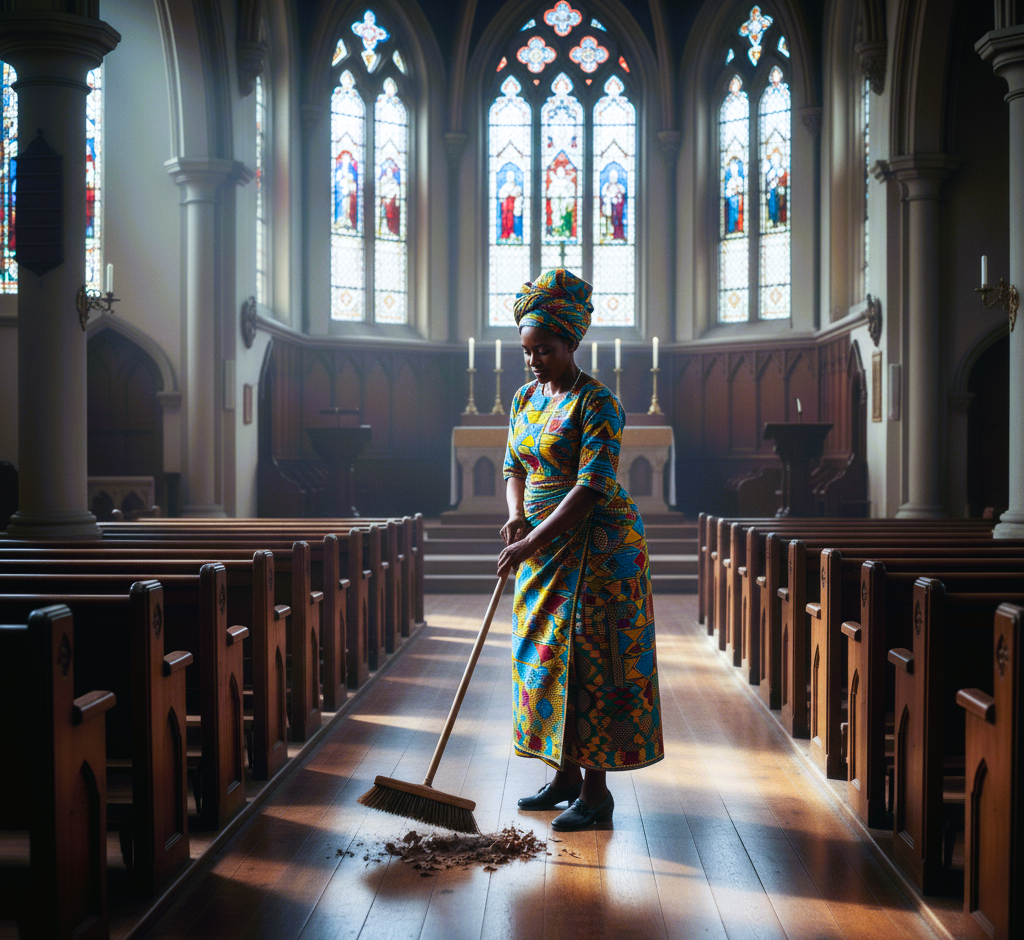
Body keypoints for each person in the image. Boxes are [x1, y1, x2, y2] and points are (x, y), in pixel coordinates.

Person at [497, 268, 664, 832]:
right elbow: (512, 466)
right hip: (541, 546)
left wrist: (533, 540)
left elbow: (592, 486)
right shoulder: (524, 397)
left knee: (594, 667)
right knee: (546, 661)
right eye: (527, 351)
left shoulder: (599, 403)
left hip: (600, 550)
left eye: (543, 350)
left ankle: (596, 795)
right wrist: (517, 516)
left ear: (571, 343)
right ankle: (564, 776)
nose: (533, 360)